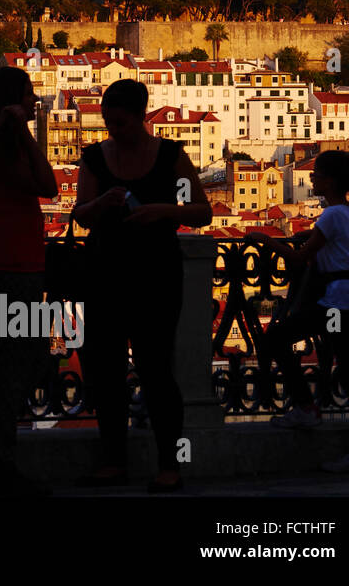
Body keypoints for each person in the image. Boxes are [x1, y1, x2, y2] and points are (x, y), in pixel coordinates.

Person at [71, 78, 211, 493]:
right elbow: (81, 213)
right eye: (108, 123)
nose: (114, 131)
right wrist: (103, 203)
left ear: (140, 117)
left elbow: (200, 210)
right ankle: (113, 460)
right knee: (106, 369)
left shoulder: (170, 156)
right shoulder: (95, 157)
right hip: (106, 274)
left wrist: (160, 211)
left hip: (155, 275)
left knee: (156, 369)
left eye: (121, 123)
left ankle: (170, 464)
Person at [248, 150, 349, 474]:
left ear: (329, 180)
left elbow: (300, 258)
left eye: (316, 173)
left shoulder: (332, 216)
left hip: (335, 302)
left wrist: (265, 240)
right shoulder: (348, 210)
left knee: (276, 338)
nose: (312, 177)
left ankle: (305, 406)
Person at [0, 66, 57, 495]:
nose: (35, 100)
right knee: (19, 359)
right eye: (28, 95)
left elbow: (45, 186)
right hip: (6, 268)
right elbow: (49, 184)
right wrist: (22, 128)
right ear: (9, 102)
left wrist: (20, 127)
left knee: (24, 357)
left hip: (19, 266)